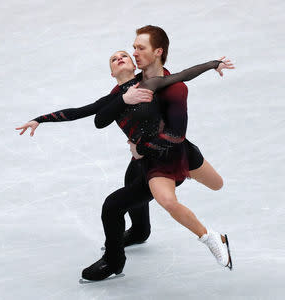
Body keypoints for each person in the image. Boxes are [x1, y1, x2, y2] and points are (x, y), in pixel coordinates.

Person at [80, 25, 233, 281]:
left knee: (217, 185)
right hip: (152, 161)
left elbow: (176, 136)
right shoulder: (136, 83)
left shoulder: (173, 89)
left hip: (175, 152)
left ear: (158, 52)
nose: (133, 52)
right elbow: (98, 113)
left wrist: (140, 147)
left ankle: (173, 187)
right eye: (134, 48)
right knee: (140, 196)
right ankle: (201, 237)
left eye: (140, 48)